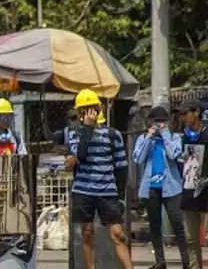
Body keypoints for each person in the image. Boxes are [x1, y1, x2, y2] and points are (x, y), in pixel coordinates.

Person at [67, 88, 132, 269]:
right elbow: (79, 154)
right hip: (83, 190)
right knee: (87, 232)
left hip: (107, 190)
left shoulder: (113, 135)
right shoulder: (75, 133)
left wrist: (119, 195)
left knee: (118, 233)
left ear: (98, 108)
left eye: (92, 108)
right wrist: (87, 128)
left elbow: (121, 166)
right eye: (84, 109)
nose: (89, 112)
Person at [133, 106, 189, 269]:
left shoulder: (174, 138)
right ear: (150, 122)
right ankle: (160, 261)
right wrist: (149, 137)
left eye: (162, 122)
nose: (159, 125)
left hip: (171, 187)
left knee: (177, 224)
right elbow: (138, 158)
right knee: (154, 225)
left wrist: (164, 135)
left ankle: (186, 261)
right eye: (156, 122)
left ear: (167, 122)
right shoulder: (144, 138)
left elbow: (174, 155)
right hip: (151, 187)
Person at [177, 99, 208, 269]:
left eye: (186, 113)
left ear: (196, 113)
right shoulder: (185, 138)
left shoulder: (206, 135)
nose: (183, 117)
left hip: (206, 192)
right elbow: (182, 162)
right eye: (181, 114)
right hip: (189, 193)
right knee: (191, 239)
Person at [0, 98, 27, 179]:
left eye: (9, 116)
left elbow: (23, 159)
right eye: (2, 116)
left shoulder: (17, 137)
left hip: (13, 178)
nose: (7, 120)